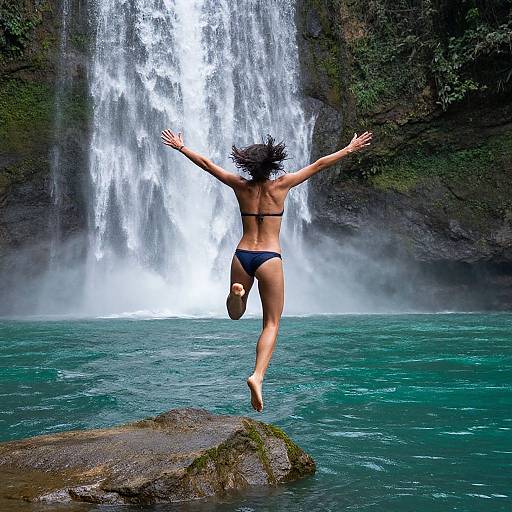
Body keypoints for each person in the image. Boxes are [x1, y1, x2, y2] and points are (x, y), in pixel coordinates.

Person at [161, 130, 373, 412]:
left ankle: (237, 293)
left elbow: (208, 165)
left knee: (235, 313)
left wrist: (181, 147)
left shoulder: (240, 186)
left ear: (247, 164)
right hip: (269, 258)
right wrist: (349, 149)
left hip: (242, 254)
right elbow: (320, 164)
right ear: (272, 164)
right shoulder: (282, 185)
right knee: (271, 323)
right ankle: (257, 376)